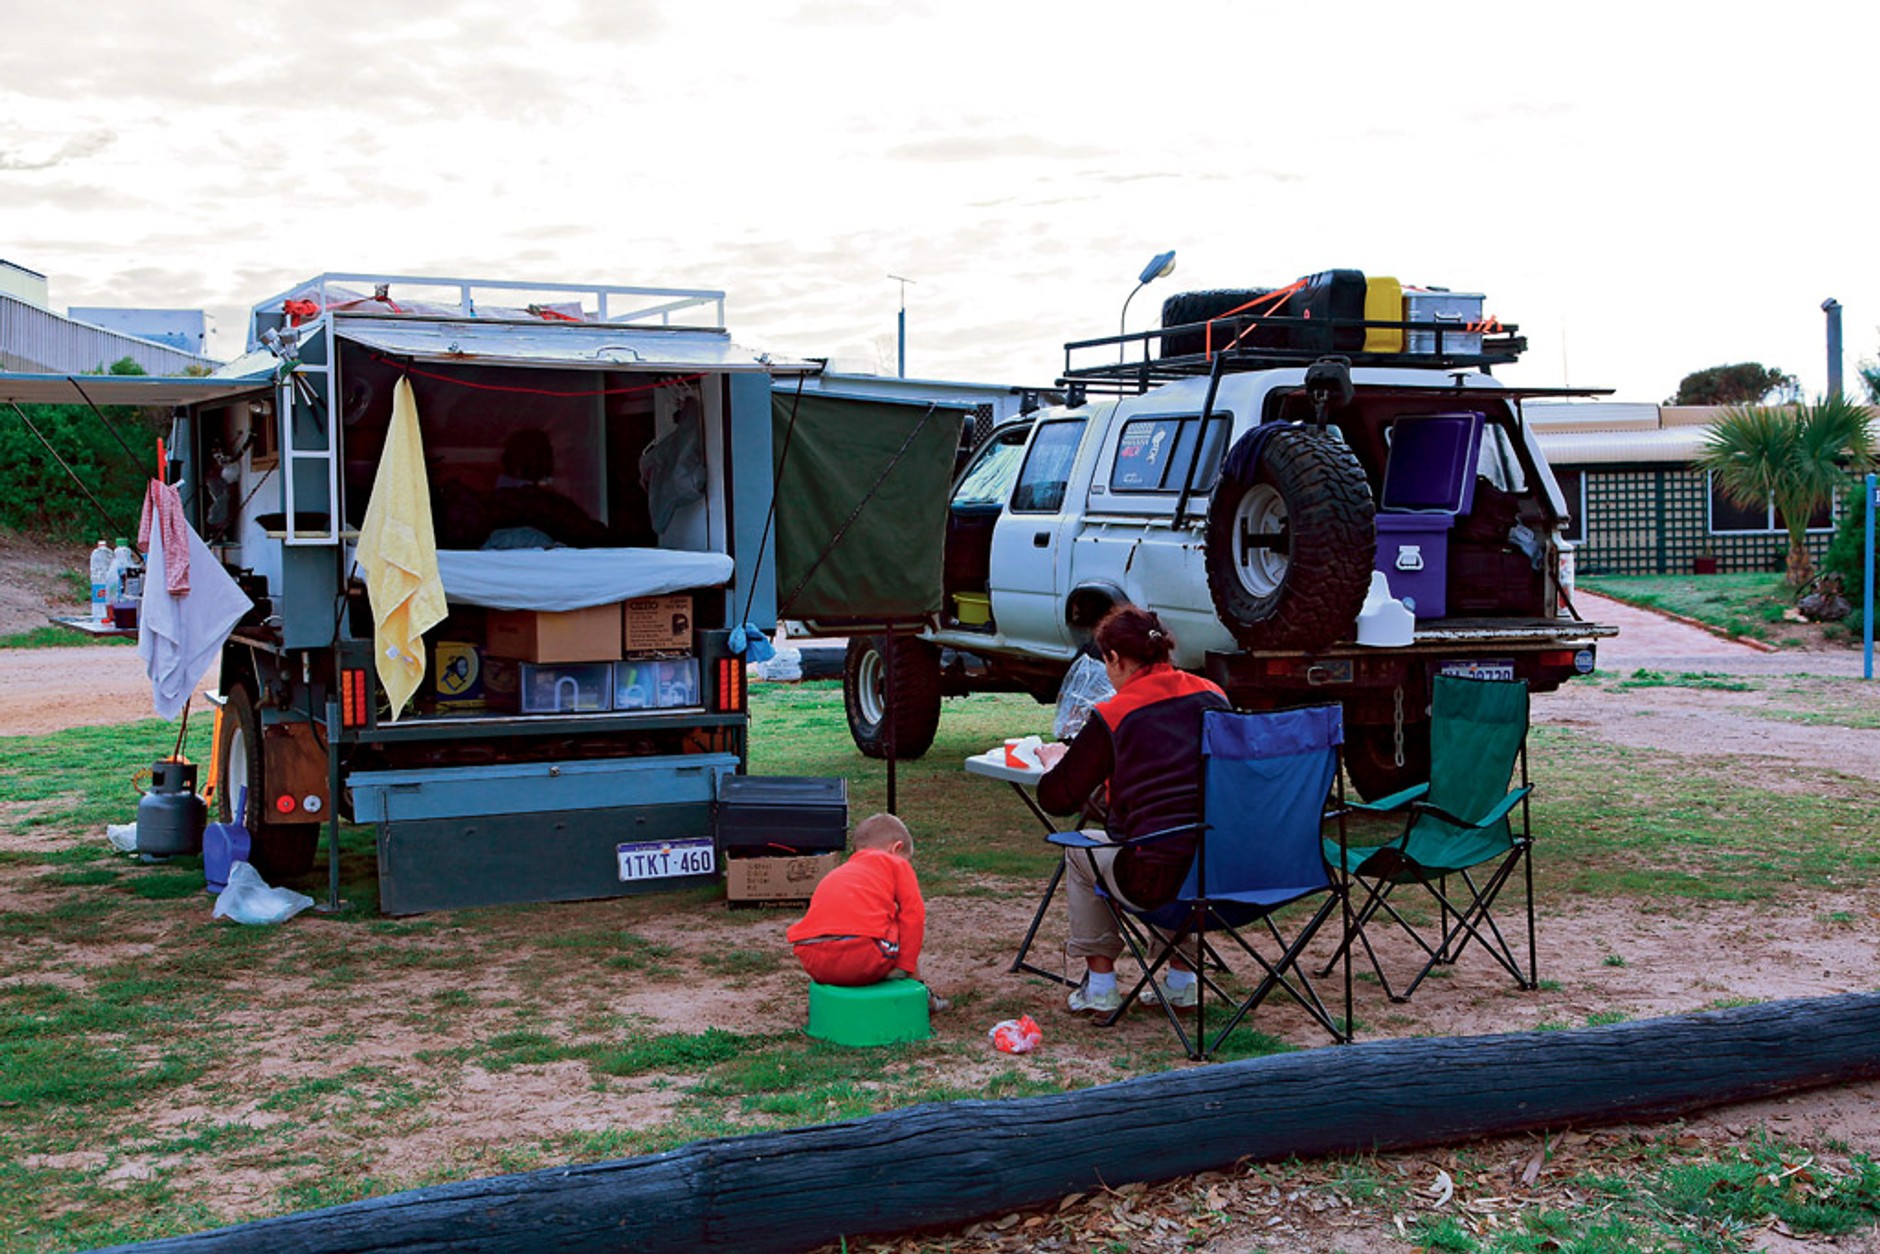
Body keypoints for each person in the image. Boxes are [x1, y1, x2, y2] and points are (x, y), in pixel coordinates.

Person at [1036, 605, 1229, 1014]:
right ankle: (1181, 980)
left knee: (1083, 848)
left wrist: (1054, 761)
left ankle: (1101, 985)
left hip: (1153, 881)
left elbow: (1058, 798)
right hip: (1224, 872)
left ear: (1114, 659)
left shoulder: (1115, 713)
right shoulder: (1214, 696)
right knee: (1180, 837)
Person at [787, 813, 935, 999]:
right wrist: (905, 966)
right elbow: (914, 915)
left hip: (813, 959)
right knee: (900, 921)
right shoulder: (896, 864)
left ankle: (831, 1005)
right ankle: (920, 993)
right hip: (860, 956)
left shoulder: (838, 873)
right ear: (897, 849)